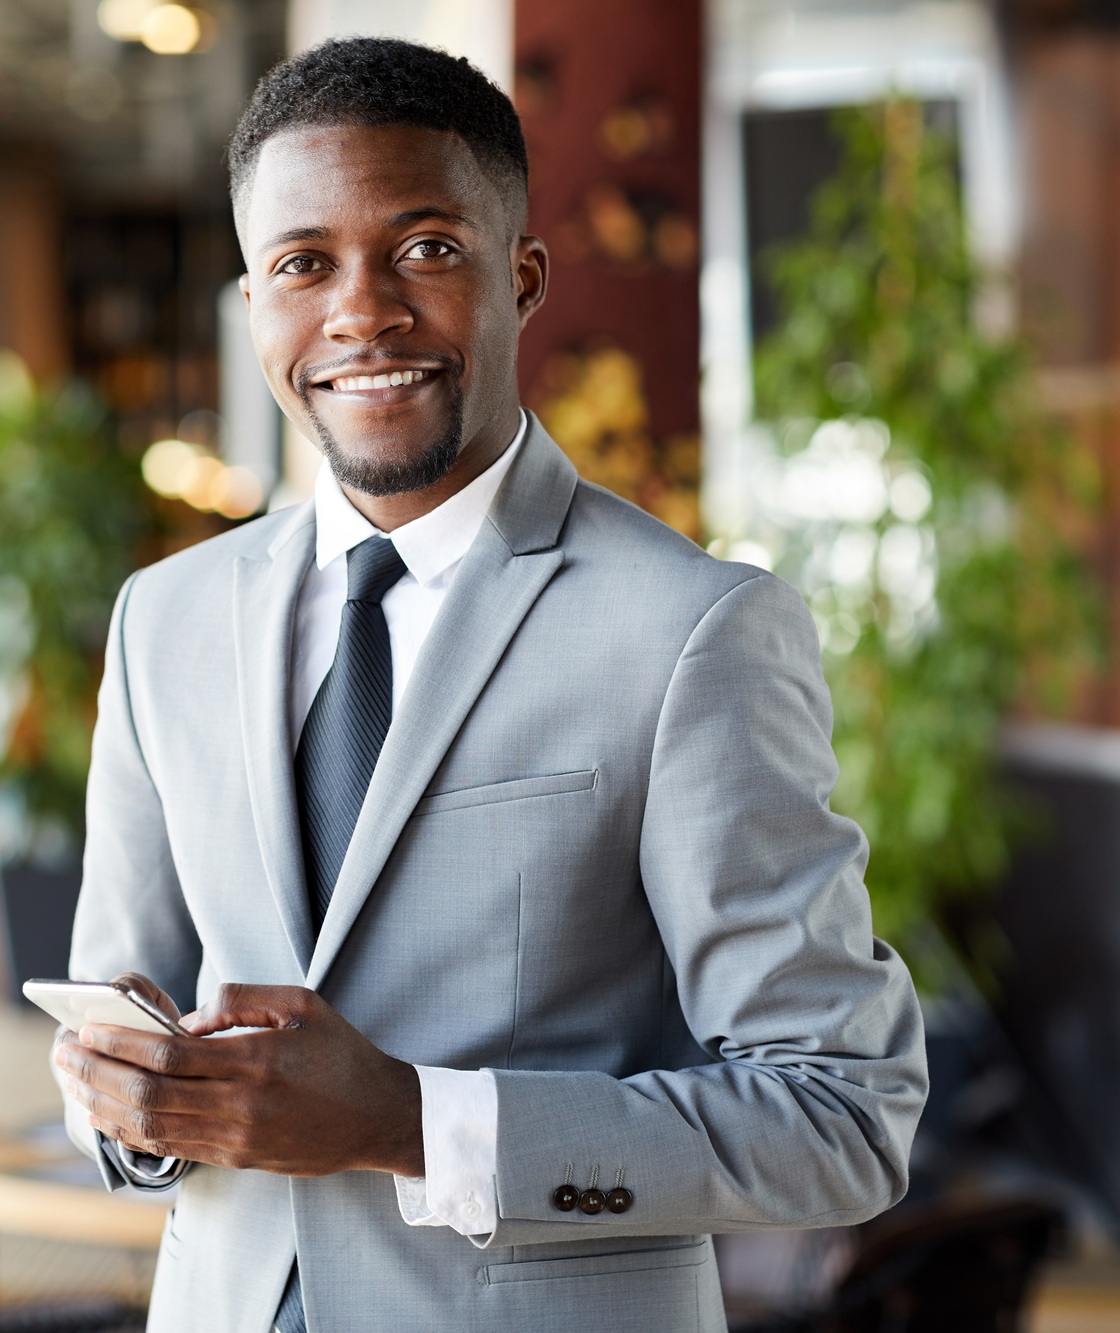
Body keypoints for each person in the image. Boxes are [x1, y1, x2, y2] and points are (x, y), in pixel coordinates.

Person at [49, 36, 928, 1333]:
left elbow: (840, 1116)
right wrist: (136, 1102)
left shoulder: (696, 632)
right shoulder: (162, 618)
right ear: (253, 309)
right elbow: (117, 1013)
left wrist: (410, 1119)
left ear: (520, 277)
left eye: (425, 248)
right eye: (304, 263)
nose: (362, 310)